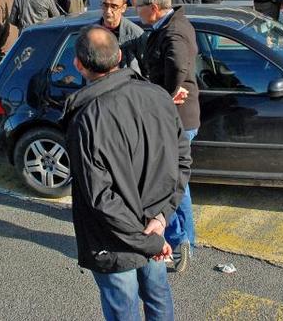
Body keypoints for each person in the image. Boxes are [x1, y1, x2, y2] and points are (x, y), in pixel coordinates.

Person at [62, 26, 191, 321]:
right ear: (120, 56)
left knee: (124, 310)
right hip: (152, 228)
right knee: (158, 299)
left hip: (115, 240)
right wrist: (160, 220)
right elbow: (182, 160)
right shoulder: (158, 96)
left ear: (78, 65)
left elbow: (99, 198)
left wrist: (152, 235)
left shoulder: (86, 119)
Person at [135, 0, 198, 273]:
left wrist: (166, 96)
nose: (136, 11)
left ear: (154, 8)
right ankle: (183, 238)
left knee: (174, 182)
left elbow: (177, 66)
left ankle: (181, 240)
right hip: (176, 114)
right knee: (174, 180)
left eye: (139, 6)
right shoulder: (169, 25)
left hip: (178, 118)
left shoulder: (174, 30)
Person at [98, 0, 145, 74]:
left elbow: (147, 68)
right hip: (99, 85)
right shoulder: (92, 33)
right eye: (105, 5)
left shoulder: (136, 34)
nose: (108, 11)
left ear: (123, 8)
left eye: (114, 6)